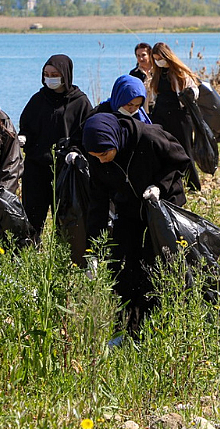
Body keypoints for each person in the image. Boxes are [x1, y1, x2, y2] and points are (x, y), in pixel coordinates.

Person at [79, 112, 191, 338]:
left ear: (114, 140)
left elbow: (180, 160)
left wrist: (160, 185)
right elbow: (98, 203)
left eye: (103, 154)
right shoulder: (98, 154)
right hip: (129, 208)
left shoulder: (149, 137)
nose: (101, 160)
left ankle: (154, 330)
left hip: (162, 205)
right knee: (121, 267)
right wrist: (93, 251)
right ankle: (125, 330)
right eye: (95, 156)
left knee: (155, 266)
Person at [18, 54, 94, 242]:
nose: (50, 78)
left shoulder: (80, 102)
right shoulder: (38, 99)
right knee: (32, 218)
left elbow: (87, 133)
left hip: (67, 170)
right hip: (37, 168)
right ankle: (28, 258)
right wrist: (23, 137)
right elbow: (27, 127)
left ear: (66, 75)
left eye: (55, 74)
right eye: (46, 74)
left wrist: (75, 151)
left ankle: (66, 259)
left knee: (67, 219)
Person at [148, 42, 202, 190]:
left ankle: (193, 184)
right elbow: (153, 95)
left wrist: (188, 94)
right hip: (160, 114)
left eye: (160, 58)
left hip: (179, 115)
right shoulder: (156, 74)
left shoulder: (179, 72)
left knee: (185, 149)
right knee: (163, 148)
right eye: (156, 59)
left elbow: (194, 90)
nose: (159, 61)